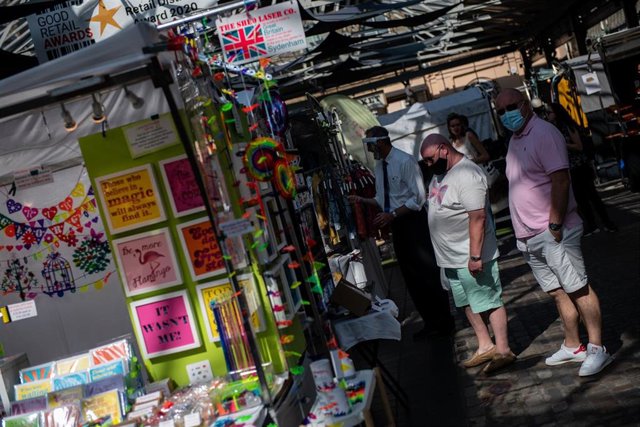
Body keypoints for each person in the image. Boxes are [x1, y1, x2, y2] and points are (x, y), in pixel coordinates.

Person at [496, 88, 613, 377]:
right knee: (558, 293)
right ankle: (573, 345)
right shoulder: (515, 139)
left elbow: (560, 180)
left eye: (511, 106)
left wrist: (555, 224)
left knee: (578, 288)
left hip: (553, 231)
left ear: (525, 104)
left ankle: (598, 348)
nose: (506, 114)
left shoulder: (544, 133)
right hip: (529, 236)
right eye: (500, 110)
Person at [420, 134, 515, 374]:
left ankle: (503, 350)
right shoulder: (440, 174)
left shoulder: (467, 174)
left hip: (470, 254)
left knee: (489, 300)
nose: (428, 165)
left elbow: (478, 217)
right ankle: (485, 345)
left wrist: (475, 257)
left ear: (443, 149)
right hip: (450, 257)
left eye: (430, 159)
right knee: (466, 303)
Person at [349, 126, 454, 340]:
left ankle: (445, 320)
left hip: (414, 222)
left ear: (380, 142)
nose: (369, 150)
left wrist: (394, 214)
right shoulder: (380, 166)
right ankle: (430, 322)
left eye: (370, 145)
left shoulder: (404, 161)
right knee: (411, 275)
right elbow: (381, 198)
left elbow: (418, 198)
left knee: (428, 271)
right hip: (397, 223)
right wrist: (362, 201)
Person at [546, 102, 617, 235]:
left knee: (592, 195)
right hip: (570, 168)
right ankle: (591, 224)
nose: (547, 115)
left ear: (556, 114)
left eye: (549, 112)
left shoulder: (568, 126)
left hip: (580, 166)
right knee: (580, 199)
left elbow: (579, 146)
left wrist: (563, 144)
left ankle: (607, 222)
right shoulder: (555, 129)